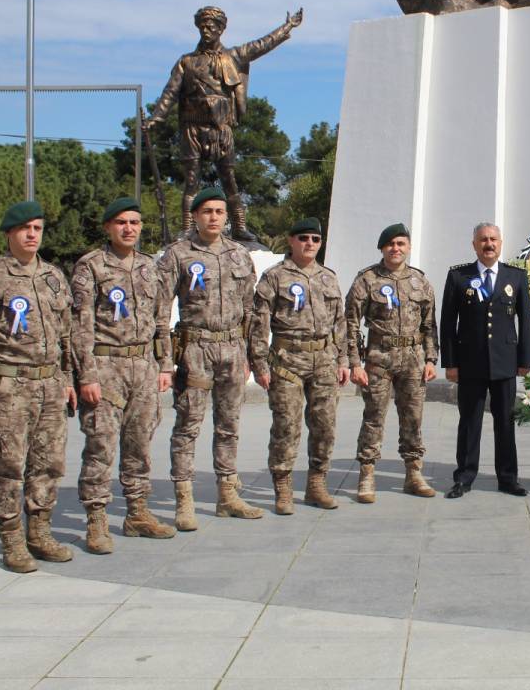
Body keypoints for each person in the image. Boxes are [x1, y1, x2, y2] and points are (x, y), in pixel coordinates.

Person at [0, 201, 77, 572]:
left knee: (48, 464)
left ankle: (40, 532)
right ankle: (12, 539)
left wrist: (69, 380)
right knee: (9, 465)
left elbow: (66, 335)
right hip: (10, 387)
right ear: (9, 234)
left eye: (37, 228)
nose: (32, 235)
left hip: (49, 386)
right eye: (24, 229)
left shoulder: (53, 276)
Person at [144, 5, 303, 243]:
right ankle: (188, 227)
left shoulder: (234, 56)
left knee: (229, 178)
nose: (206, 30)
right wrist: (156, 117)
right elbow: (170, 92)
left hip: (221, 128)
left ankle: (239, 226)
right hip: (192, 128)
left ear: (221, 29)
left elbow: (263, 45)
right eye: (203, 27)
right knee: (191, 180)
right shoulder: (186, 62)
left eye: (211, 27)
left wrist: (287, 26)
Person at [72, 197, 176, 555]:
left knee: (140, 445)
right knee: (100, 446)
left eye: (134, 222)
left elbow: (162, 320)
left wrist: (165, 365)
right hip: (106, 366)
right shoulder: (91, 267)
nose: (128, 228)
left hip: (144, 366)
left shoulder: (151, 267)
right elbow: (81, 326)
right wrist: (86, 375)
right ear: (107, 227)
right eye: (120, 223)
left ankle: (137, 512)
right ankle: (96, 519)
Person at [158, 187, 261, 528]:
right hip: (195, 349)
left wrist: (248, 353)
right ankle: (184, 500)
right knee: (188, 426)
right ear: (195, 216)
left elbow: (249, 310)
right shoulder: (178, 254)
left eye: (219, 211)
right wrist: (164, 362)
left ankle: (227, 494)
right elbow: (160, 311)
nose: (213, 217)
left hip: (232, 349)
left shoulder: (239, 255)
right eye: (207, 212)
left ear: (227, 216)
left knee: (229, 425)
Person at [249, 218, 350, 513]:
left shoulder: (328, 277)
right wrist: (259, 364)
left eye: (315, 239)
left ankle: (316, 484)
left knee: (324, 426)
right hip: (286, 361)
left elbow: (340, 322)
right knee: (286, 426)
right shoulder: (274, 277)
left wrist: (342, 359)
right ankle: (283, 488)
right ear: (291, 241)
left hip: (323, 361)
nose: (309, 244)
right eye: (303, 238)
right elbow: (259, 324)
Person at [345, 223, 439, 503]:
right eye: (390, 244)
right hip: (379, 359)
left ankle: (413, 474)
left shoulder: (420, 281)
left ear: (408, 247)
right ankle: (367, 474)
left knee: (413, 418)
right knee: (374, 417)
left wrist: (432, 358)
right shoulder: (367, 280)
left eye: (400, 244)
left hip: (413, 359)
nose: (395, 249)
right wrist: (354, 363)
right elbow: (350, 323)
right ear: (382, 248)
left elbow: (429, 324)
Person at [440, 223, 530, 498]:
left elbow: (525, 320)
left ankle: (508, 478)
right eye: (483, 240)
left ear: (501, 243)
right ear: (474, 245)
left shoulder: (515, 276)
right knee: (469, 421)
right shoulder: (459, 276)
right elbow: (448, 323)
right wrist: (451, 363)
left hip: (505, 361)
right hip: (470, 362)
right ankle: (464, 477)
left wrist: (525, 358)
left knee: (505, 422)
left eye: (493, 239)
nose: (488, 244)